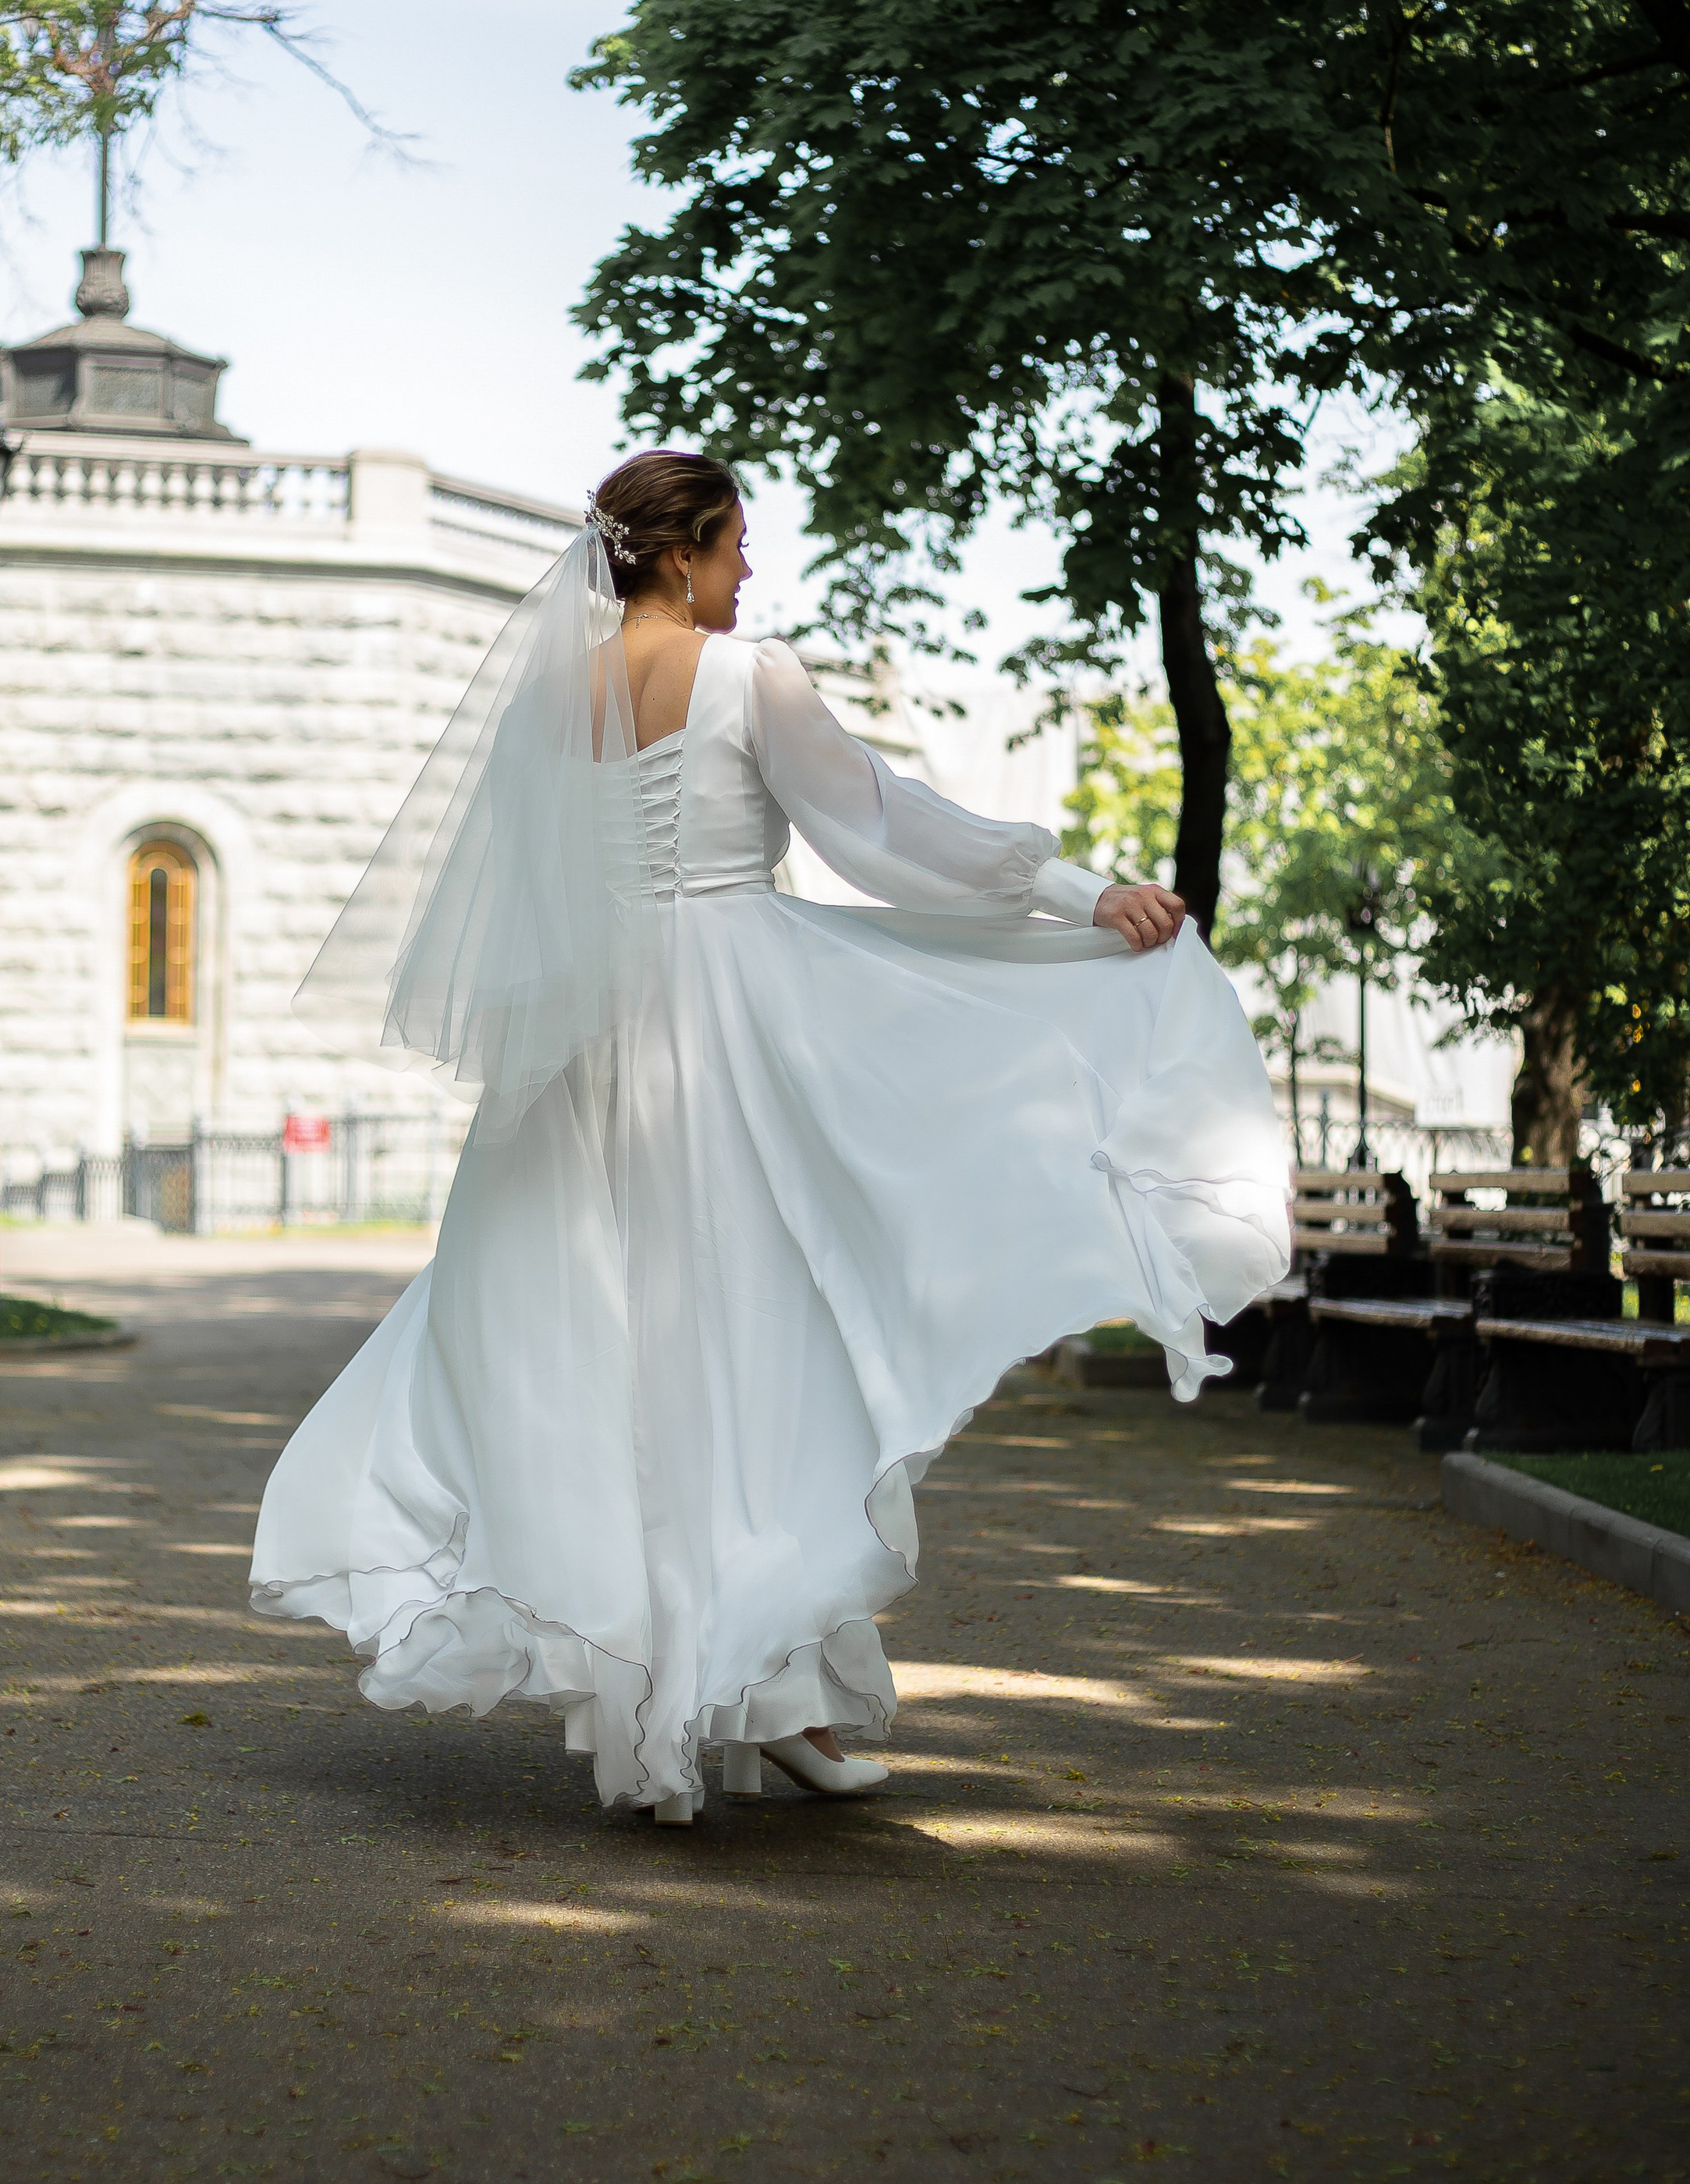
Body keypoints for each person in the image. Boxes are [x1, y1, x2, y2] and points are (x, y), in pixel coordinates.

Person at [250, 452, 1288, 1822]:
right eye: (737, 544)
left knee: (621, 1368)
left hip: (583, 1051)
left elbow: (521, 892)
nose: (749, 570)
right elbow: (876, 823)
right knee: (756, 1356)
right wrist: (1072, 889)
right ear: (682, 552)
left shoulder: (550, 695)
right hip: (723, 1035)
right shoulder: (748, 679)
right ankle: (749, 1695)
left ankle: (745, 1698)